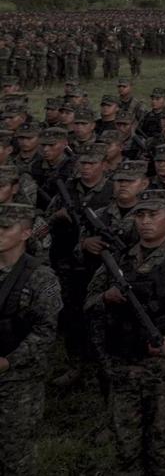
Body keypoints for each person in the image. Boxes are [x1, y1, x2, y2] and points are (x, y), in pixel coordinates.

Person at [84, 189, 165, 476]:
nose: (145, 221)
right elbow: (88, 303)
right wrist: (106, 297)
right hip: (124, 367)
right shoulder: (119, 259)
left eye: (153, 215)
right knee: (126, 447)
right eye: (140, 215)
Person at [0, 203, 62, 476]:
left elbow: (45, 331)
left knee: (15, 453)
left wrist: (9, 361)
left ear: (25, 233)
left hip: (19, 380)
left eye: (5, 228)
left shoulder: (42, 277)